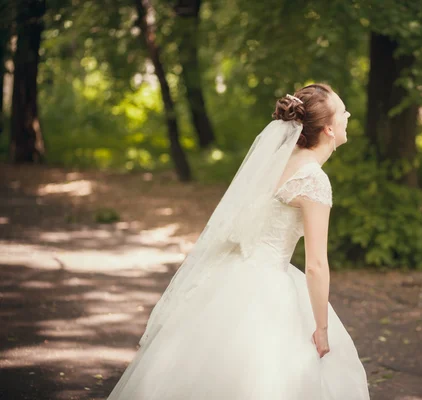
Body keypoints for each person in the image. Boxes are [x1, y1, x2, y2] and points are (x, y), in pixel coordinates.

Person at [107, 83, 370, 400]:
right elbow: (315, 265)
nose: (348, 115)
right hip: (268, 284)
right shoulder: (313, 178)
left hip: (231, 276)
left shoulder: (277, 161)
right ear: (329, 129)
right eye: (343, 111)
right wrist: (322, 328)